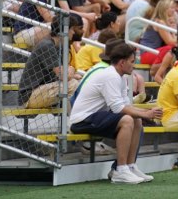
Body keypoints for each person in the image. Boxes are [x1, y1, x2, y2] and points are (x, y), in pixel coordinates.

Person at [69, 41, 162, 184]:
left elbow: (126, 105)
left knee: (135, 120)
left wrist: (145, 113)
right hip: (81, 120)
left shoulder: (121, 76)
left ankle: (129, 167)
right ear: (122, 62)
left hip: (94, 117)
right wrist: (146, 114)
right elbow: (118, 108)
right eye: (132, 61)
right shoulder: (111, 76)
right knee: (128, 120)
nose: (134, 64)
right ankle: (121, 170)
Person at [18, 15, 83, 109]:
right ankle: (75, 119)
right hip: (29, 96)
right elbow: (64, 75)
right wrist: (71, 70)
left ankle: (72, 120)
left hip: (44, 89)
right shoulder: (47, 45)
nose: (73, 32)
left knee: (79, 82)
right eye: (72, 29)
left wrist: (70, 73)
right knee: (72, 84)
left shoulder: (62, 46)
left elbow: (65, 74)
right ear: (64, 30)